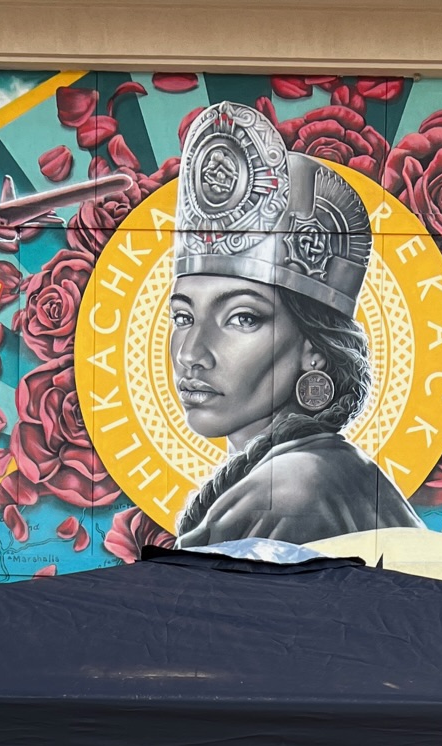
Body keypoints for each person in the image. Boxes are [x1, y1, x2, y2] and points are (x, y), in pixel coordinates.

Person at [170, 102, 423, 549]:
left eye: (242, 317)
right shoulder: (307, 470)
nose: (191, 352)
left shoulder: (294, 489)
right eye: (183, 316)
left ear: (315, 346)